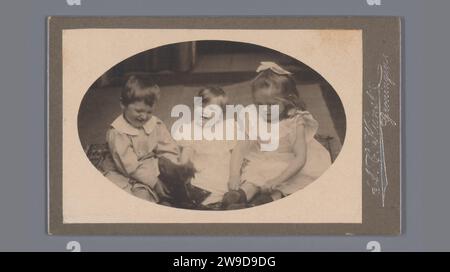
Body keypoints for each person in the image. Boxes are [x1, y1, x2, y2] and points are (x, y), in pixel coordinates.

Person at [223, 62, 332, 209]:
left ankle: (264, 202)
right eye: (259, 104)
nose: (265, 110)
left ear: (288, 100)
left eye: (271, 105)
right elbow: (240, 148)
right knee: (254, 176)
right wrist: (234, 175)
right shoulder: (253, 116)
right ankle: (240, 196)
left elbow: (300, 158)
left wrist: (277, 180)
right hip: (264, 157)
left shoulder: (294, 121)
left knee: (282, 186)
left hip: (289, 162)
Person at [102, 75, 181, 204]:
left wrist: (170, 166)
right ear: (123, 104)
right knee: (131, 198)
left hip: (148, 166)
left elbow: (168, 147)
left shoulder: (155, 124)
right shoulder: (117, 132)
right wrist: (154, 182)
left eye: (149, 112)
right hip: (122, 171)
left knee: (174, 188)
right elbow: (129, 165)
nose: (144, 116)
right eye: (138, 111)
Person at [175, 86, 238, 206]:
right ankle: (204, 203)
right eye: (202, 107)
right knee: (195, 184)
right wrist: (184, 165)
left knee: (226, 185)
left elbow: (236, 151)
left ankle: (221, 202)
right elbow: (187, 149)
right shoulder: (191, 128)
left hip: (222, 168)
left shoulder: (228, 127)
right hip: (200, 168)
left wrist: (236, 172)